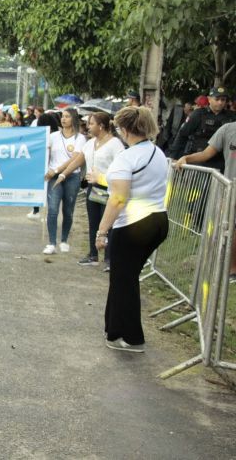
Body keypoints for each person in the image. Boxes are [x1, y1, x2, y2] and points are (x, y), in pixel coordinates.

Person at [95, 107, 168, 352]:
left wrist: (101, 231)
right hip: (157, 219)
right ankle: (114, 329)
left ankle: (130, 337)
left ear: (124, 130)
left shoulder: (126, 159)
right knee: (125, 279)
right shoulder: (157, 152)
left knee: (123, 280)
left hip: (134, 224)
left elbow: (117, 199)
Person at [55, 112, 125, 269]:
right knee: (94, 222)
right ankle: (93, 255)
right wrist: (63, 174)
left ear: (101, 126)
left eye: (91, 123)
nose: (88, 126)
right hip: (93, 188)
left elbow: (121, 168)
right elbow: (78, 160)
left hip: (110, 188)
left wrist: (104, 178)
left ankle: (110, 259)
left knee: (108, 223)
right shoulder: (90, 143)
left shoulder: (115, 144)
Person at [176, 120, 236, 282]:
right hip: (231, 189)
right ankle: (231, 269)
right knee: (229, 228)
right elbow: (206, 154)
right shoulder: (228, 129)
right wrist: (186, 158)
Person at [42, 109, 86, 254]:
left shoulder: (80, 138)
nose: (64, 119)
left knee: (68, 210)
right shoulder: (53, 136)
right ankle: (51, 243)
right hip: (53, 177)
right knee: (53, 210)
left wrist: (58, 170)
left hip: (72, 176)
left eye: (67, 117)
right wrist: (47, 170)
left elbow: (75, 159)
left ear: (73, 119)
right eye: (62, 116)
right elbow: (45, 154)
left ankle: (64, 239)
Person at [170, 87, 236, 172]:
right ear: (209, 99)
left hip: (220, 162)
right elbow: (182, 135)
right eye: (217, 99)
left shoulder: (231, 117)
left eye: (223, 100)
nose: (220, 102)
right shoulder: (198, 114)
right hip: (198, 161)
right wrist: (174, 157)